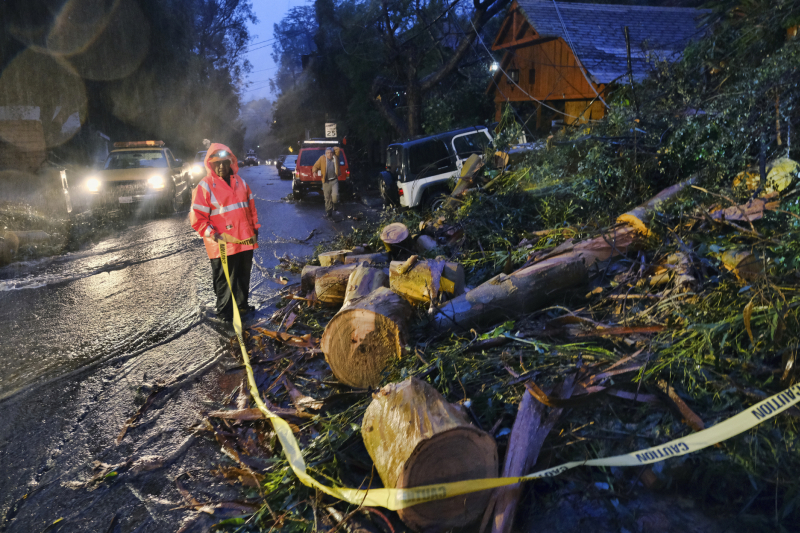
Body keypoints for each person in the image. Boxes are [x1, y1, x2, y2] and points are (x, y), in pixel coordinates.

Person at [191, 143, 260, 323]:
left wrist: (255, 229)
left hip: (244, 240)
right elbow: (197, 217)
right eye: (217, 163)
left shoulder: (241, 183)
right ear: (211, 164)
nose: (221, 166)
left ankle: (241, 305)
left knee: (243, 275)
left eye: (224, 162)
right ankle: (224, 312)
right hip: (222, 243)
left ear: (230, 162)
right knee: (225, 279)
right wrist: (211, 233)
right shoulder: (205, 186)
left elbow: (251, 208)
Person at [312, 146, 340, 218]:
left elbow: (338, 149)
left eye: (331, 153)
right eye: (328, 153)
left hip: (334, 180)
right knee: (327, 198)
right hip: (326, 181)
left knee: (335, 196)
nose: (329, 154)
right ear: (325, 154)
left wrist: (332, 148)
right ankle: (329, 212)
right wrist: (314, 171)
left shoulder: (335, 157)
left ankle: (335, 205)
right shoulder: (322, 158)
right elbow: (315, 166)